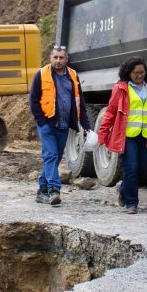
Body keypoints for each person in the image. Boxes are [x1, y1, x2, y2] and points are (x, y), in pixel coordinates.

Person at [97, 57, 147, 214]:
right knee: (131, 168)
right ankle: (132, 203)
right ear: (128, 73)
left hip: (145, 135)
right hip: (127, 137)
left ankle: (122, 187)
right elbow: (111, 112)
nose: (139, 75)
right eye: (136, 73)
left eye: (142, 72)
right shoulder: (121, 88)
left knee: (141, 168)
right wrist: (102, 134)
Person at [29, 46, 92, 206]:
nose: (58, 61)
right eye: (55, 57)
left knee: (55, 159)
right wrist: (42, 121)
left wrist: (86, 126)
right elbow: (33, 100)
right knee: (50, 156)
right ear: (50, 58)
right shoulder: (41, 74)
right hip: (47, 124)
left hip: (64, 125)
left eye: (61, 58)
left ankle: (41, 191)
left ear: (66, 59)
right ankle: (54, 190)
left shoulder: (72, 75)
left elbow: (80, 102)